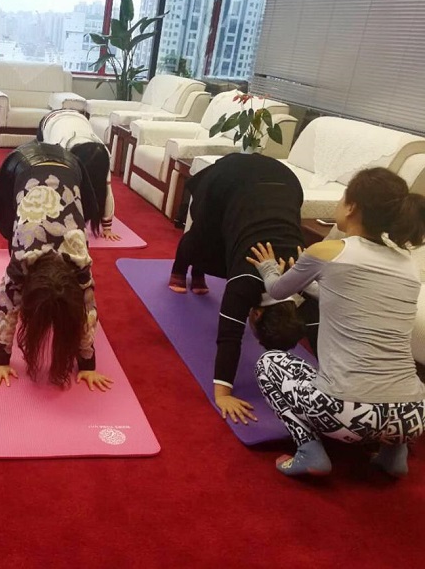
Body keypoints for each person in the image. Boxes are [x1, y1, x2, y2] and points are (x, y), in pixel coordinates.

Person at [248, 167, 425, 477]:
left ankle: (309, 451)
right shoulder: (407, 265)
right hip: (413, 414)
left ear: (352, 206)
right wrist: (312, 279)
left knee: (269, 364)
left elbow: (277, 290)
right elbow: (343, 295)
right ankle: (393, 455)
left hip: (345, 416)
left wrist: (268, 267)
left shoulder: (327, 250)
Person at [169, 153, 319, 424]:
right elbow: (229, 336)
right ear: (257, 313)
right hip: (229, 178)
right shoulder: (246, 280)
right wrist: (223, 395)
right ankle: (181, 269)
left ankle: (199, 269)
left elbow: (321, 335)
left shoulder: (308, 285)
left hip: (286, 182)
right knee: (205, 235)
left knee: (230, 248)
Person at [0, 140, 113, 392]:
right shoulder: (22, 259)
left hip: (70, 164)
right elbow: (5, 306)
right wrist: (0, 361)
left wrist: (88, 365)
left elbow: (87, 309)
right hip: (20, 162)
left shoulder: (79, 259)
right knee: (15, 227)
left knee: (74, 214)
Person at [37, 109, 120, 240]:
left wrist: (107, 228)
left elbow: (106, 191)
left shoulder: (102, 154)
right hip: (51, 121)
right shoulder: (59, 150)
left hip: (79, 118)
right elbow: (48, 184)